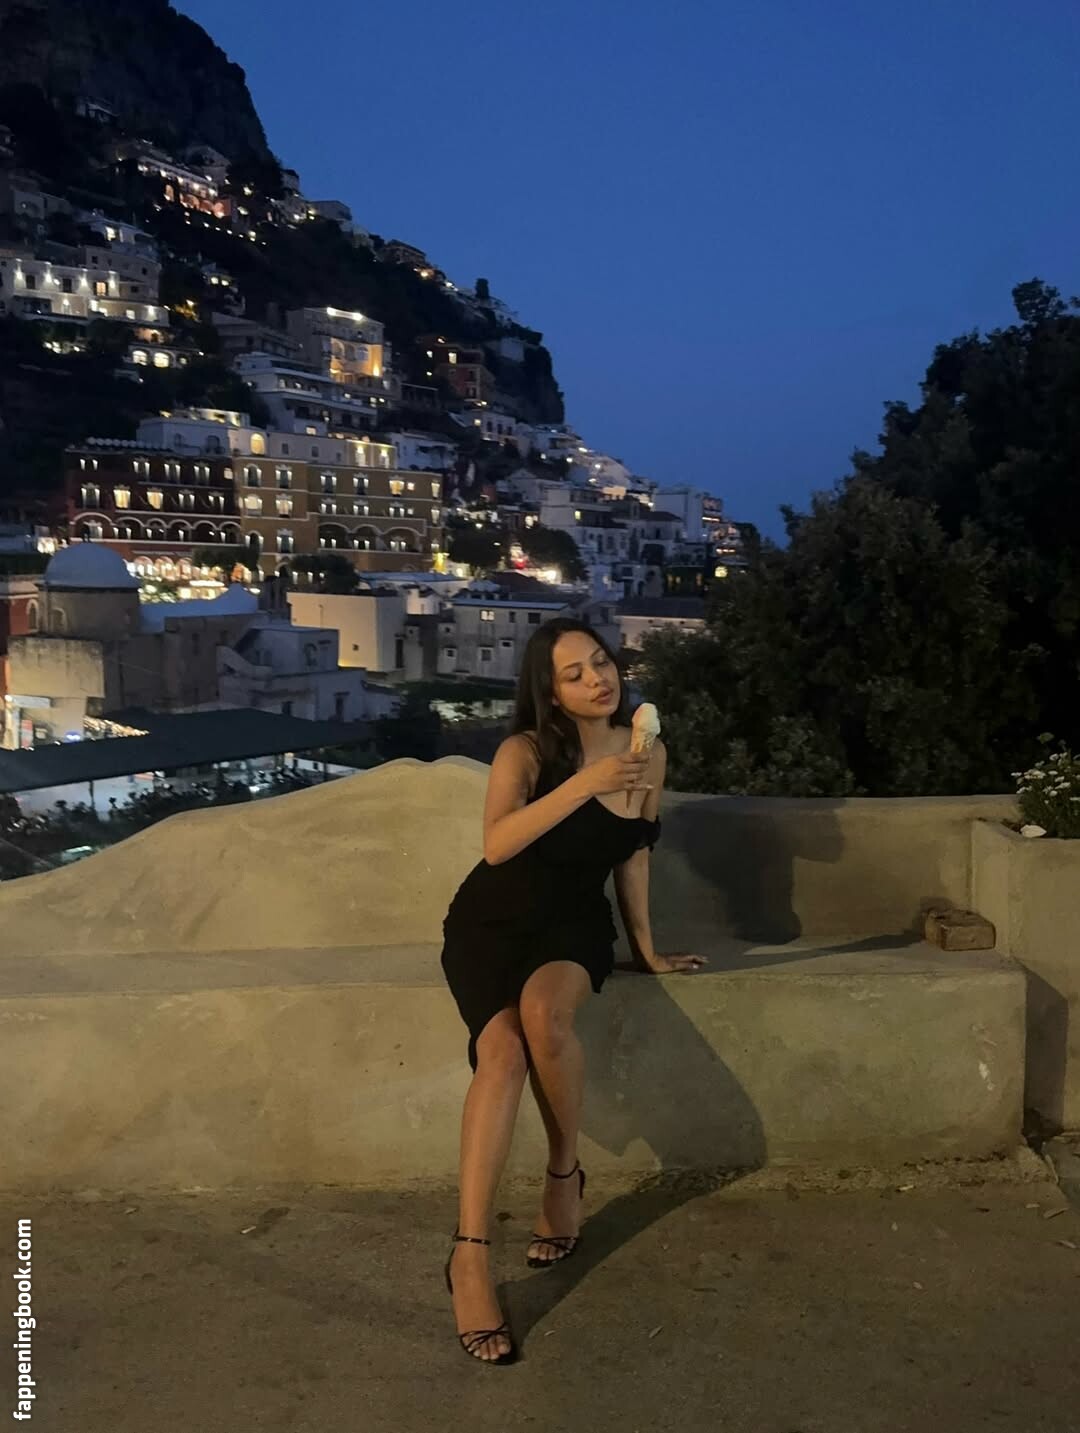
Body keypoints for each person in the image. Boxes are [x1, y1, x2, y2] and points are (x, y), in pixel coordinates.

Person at [440, 617, 708, 1365]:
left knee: (544, 1017)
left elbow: (633, 856)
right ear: (550, 693)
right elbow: (497, 845)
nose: (599, 678)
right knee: (501, 1054)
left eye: (602, 661)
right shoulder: (525, 751)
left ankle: (564, 1176)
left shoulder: (647, 751)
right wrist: (588, 782)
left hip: (573, 926)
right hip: (490, 923)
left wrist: (646, 950)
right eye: (575, 673)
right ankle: (469, 1256)